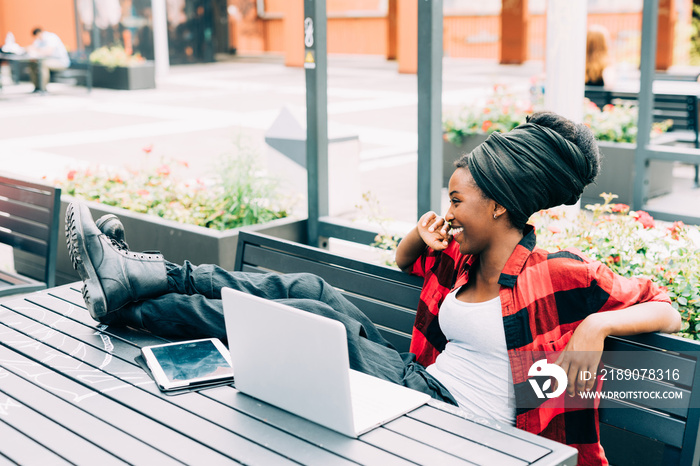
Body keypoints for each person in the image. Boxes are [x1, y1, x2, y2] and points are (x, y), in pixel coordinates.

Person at [66, 111, 680, 465]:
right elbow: (405, 261)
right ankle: (141, 282)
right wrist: (421, 235)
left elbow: (667, 308)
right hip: (417, 387)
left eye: (457, 200)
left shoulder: (559, 275)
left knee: (316, 314)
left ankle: (130, 287)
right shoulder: (463, 265)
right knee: (310, 287)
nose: (450, 210)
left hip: (456, 425)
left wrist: (599, 326)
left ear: (498, 207)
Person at [26, 27, 70, 93]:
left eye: (37, 36)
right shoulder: (38, 40)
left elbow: (49, 52)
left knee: (43, 64)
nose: (37, 38)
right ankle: (37, 87)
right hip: (47, 60)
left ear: (39, 33)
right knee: (32, 63)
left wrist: (36, 51)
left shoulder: (51, 37)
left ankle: (43, 88)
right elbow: (33, 48)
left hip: (60, 62)